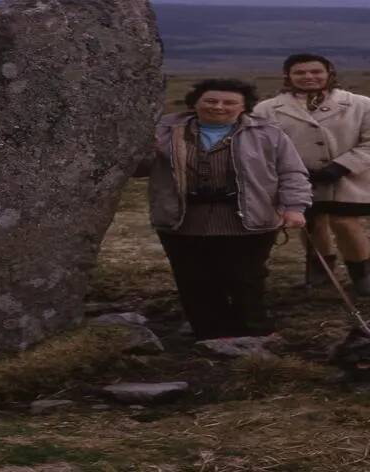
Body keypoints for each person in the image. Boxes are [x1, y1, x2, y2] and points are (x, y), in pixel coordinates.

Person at [138, 78, 310, 340]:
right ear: (195, 102)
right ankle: (208, 333)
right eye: (210, 100)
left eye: (229, 102)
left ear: (243, 107)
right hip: (183, 220)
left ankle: (253, 332)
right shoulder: (163, 131)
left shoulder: (268, 133)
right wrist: (143, 150)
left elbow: (292, 172)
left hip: (249, 220)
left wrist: (294, 207)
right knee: (193, 280)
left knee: (246, 279)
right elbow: (138, 169)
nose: (219, 107)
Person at [253, 53, 370, 295]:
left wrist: (342, 165)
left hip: (349, 177)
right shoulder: (267, 109)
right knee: (310, 223)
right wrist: (286, 170)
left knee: (345, 223)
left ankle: (362, 275)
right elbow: (259, 144)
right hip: (296, 179)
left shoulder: (361, 104)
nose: (308, 77)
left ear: (329, 73)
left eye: (316, 72)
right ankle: (321, 272)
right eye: (300, 72)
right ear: (288, 75)